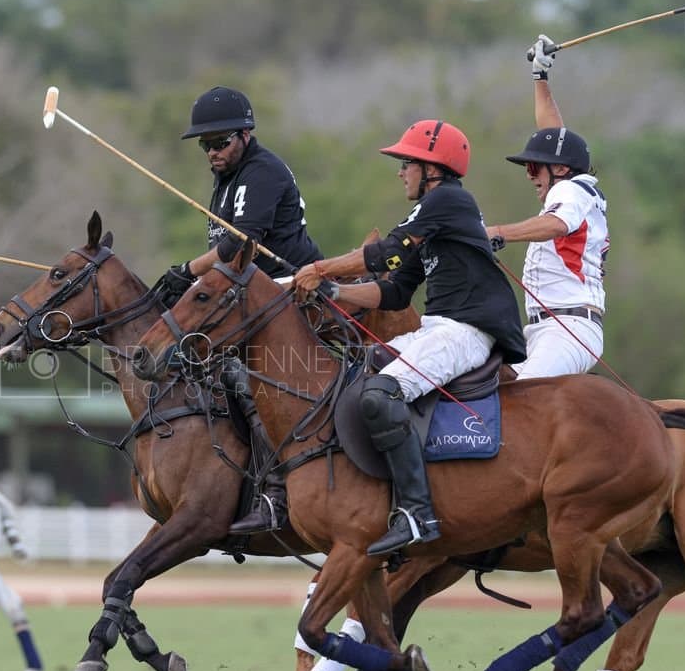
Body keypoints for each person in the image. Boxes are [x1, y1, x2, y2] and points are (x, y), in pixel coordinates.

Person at [294, 119, 525, 557]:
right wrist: (335, 293)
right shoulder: (435, 216)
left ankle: (418, 514)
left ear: (431, 169)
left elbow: (385, 251)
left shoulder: (448, 202)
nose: (401, 172)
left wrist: (322, 268)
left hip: (466, 332)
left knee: (381, 395)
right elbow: (395, 289)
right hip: (435, 330)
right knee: (355, 376)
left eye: (406, 163)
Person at [164, 86, 325, 534]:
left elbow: (238, 247)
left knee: (243, 379)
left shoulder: (263, 172)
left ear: (246, 135)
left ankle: (275, 493)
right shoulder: (227, 178)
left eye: (219, 143)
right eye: (205, 145)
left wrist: (185, 271)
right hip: (249, 301)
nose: (212, 152)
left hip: (290, 292)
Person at [483, 34, 609, 379]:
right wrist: (540, 76)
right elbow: (556, 136)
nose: (530, 174)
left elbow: (557, 224)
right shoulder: (574, 184)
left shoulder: (571, 191)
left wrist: (496, 232)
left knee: (521, 398)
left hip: (569, 329)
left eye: (534, 167)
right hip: (546, 328)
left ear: (561, 170)